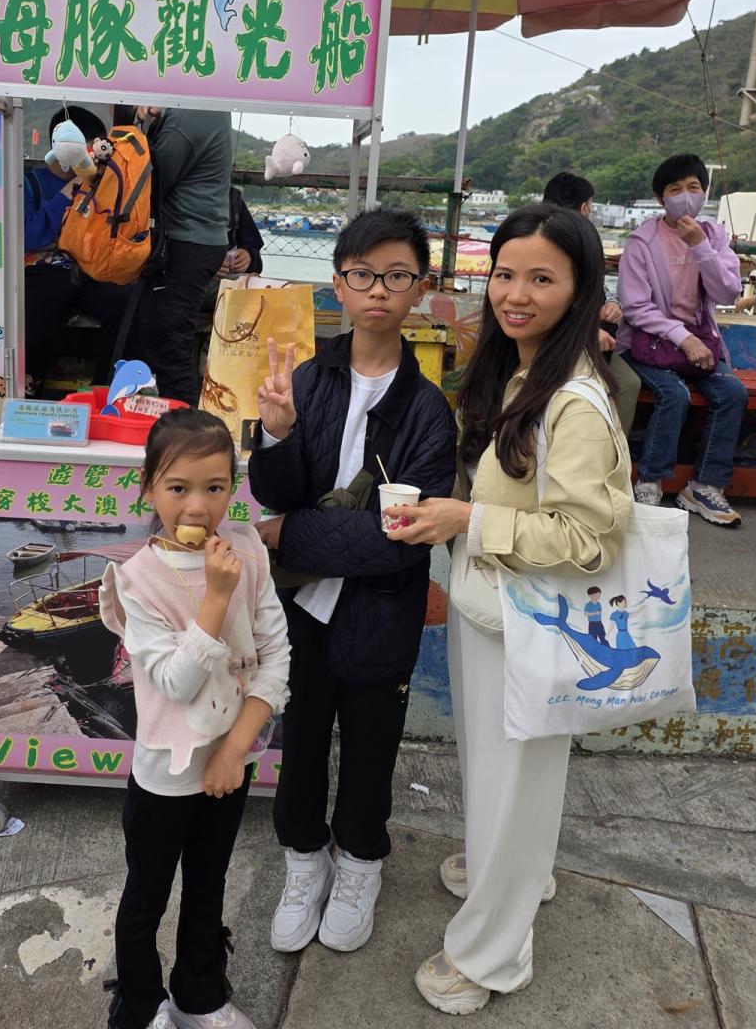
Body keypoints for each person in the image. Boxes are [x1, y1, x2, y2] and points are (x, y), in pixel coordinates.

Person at [384, 203, 632, 1015]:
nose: (515, 294)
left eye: (541, 279)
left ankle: (491, 954)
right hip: (493, 606)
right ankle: (511, 871)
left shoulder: (575, 403)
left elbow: (590, 539)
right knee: (498, 774)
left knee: (516, 779)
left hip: (534, 619)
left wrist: (468, 520)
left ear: (581, 291)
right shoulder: (521, 371)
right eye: (504, 273)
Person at [248, 208, 457, 957]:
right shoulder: (308, 379)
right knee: (300, 740)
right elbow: (277, 491)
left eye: (397, 276)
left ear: (421, 289)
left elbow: (399, 541)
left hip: (380, 609)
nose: (378, 290)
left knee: (372, 749)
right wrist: (276, 434)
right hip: (300, 607)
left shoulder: (429, 412)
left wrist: (287, 534)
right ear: (337, 283)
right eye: (362, 274)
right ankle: (303, 862)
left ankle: (361, 864)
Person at [98, 408, 290, 1029]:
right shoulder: (136, 581)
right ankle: (141, 1006)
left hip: (229, 761)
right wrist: (214, 598)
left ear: (233, 487)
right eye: (178, 487)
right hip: (166, 773)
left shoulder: (247, 551)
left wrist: (235, 751)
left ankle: (199, 996)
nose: (198, 506)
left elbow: (276, 657)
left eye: (215, 487)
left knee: (209, 884)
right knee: (146, 897)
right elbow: (175, 683)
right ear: (149, 488)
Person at [617, 154, 746, 527]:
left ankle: (705, 485)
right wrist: (682, 337)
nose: (686, 196)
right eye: (675, 189)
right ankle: (650, 481)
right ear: (661, 199)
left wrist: (700, 247)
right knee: (673, 394)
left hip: (700, 343)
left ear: (705, 193)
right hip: (648, 344)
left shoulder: (714, 236)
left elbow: (728, 292)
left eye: (694, 187)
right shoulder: (642, 242)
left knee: (732, 392)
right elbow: (635, 307)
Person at [121, 106, 233, 404]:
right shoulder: (203, 107)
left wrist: (139, 122)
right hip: (194, 241)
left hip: (186, 242)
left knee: (168, 344)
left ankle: (189, 424)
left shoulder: (190, 112)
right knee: (161, 337)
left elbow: (150, 179)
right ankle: (180, 419)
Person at [23, 105, 127, 390]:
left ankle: (106, 388)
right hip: (42, 272)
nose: (94, 158)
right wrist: (69, 193)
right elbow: (29, 235)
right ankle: (29, 386)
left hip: (88, 271)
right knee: (38, 313)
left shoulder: (101, 185)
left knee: (125, 303)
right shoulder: (30, 184)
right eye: (90, 149)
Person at [543, 171, 640, 434]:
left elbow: (594, 287)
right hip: (557, 340)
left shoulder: (583, 238)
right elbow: (549, 299)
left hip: (587, 336)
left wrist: (612, 303)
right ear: (584, 207)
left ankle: (609, 449)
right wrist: (585, 333)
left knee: (628, 383)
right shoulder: (550, 240)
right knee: (620, 385)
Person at [201, 187, 265, 314]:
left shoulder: (232, 198)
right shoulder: (173, 193)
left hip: (223, 283)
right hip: (185, 282)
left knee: (261, 293)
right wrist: (203, 265)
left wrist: (248, 256)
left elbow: (253, 245)